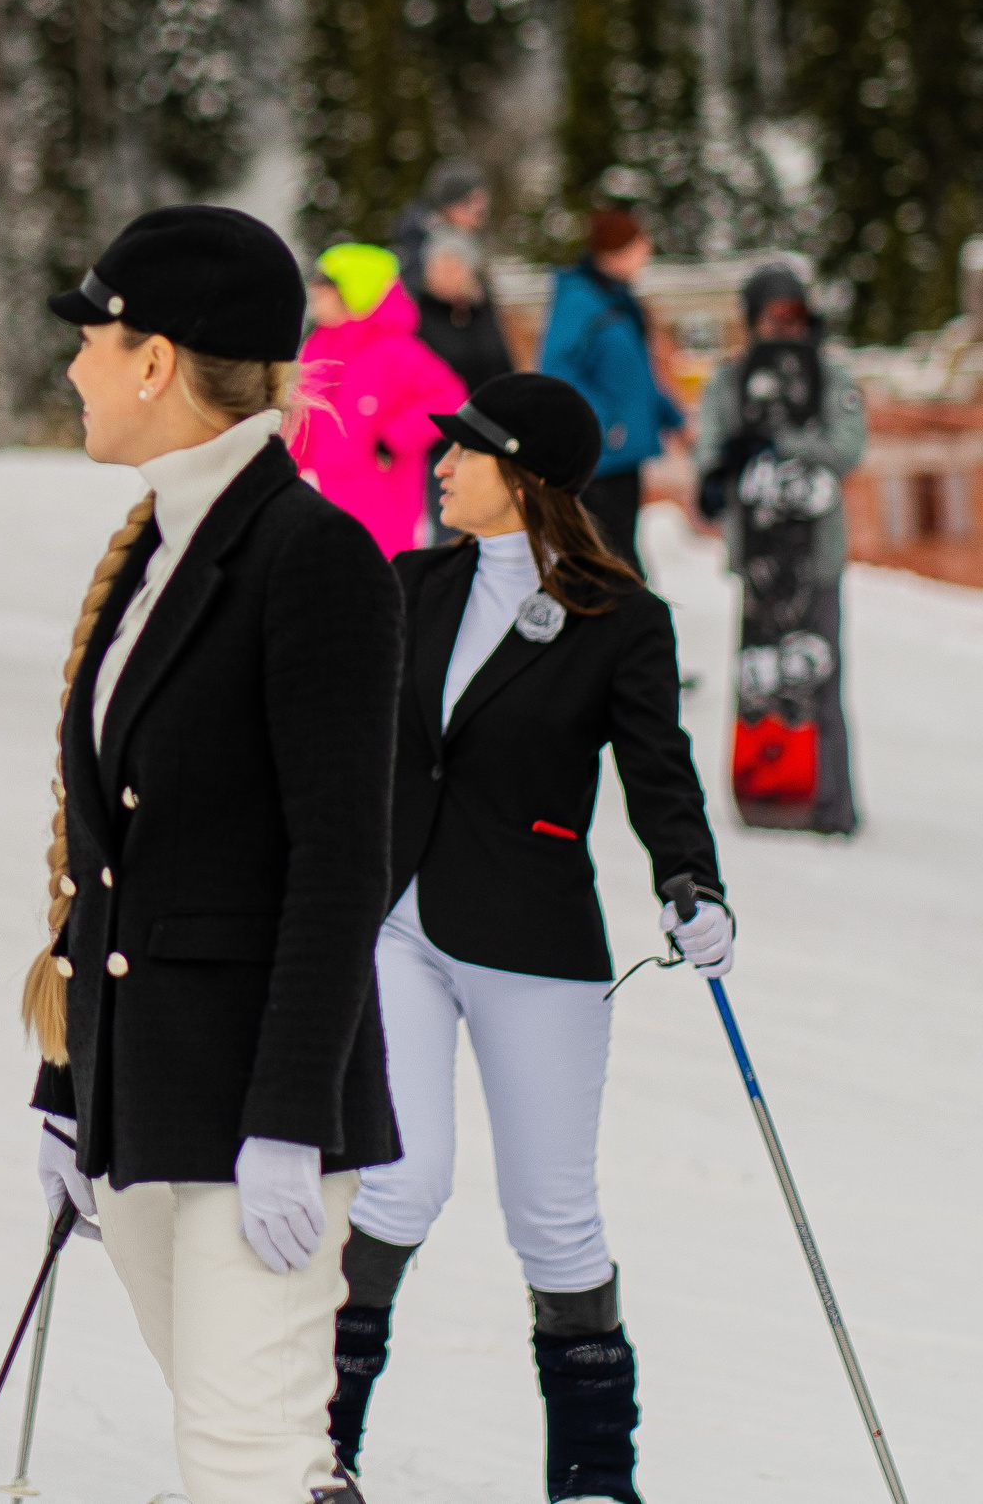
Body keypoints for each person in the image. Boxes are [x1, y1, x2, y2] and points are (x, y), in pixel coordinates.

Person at [26, 205, 401, 1504]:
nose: (72, 366)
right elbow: (110, 849)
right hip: (146, 1098)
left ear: (156, 360)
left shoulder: (317, 558)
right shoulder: (149, 546)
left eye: (93, 338)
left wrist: (292, 1120)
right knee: (248, 1443)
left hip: (258, 1117)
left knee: (245, 1460)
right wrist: (67, 1074)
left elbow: (341, 862)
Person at [326, 371, 735, 1504]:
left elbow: (658, 770)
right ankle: (315, 1455)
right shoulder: (410, 583)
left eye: (465, 451)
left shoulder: (622, 619)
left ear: (528, 477)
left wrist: (688, 880)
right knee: (396, 1184)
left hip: (534, 941)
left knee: (551, 1218)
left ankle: (594, 1478)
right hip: (400, 920)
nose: (441, 465)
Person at [694, 265, 865, 834]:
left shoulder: (832, 376)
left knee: (819, 672)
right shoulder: (731, 379)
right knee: (758, 675)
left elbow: (846, 449)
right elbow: (710, 452)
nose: (783, 326)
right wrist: (720, 474)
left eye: (793, 314)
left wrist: (781, 443)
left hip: (814, 553)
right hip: (759, 555)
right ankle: (763, 794)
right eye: (773, 314)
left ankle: (830, 799)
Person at [292, 243, 468, 558]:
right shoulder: (317, 346)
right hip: (325, 497)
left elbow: (449, 396)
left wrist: (395, 438)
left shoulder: (396, 350)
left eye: (323, 286)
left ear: (354, 292)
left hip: (385, 502)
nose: (313, 294)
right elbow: (304, 416)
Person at [538, 209, 681, 577]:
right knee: (608, 559)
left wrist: (672, 416)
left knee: (620, 553)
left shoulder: (617, 300)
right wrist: (604, 422)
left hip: (624, 453)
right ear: (618, 250)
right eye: (640, 244)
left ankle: (626, 627)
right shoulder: (579, 301)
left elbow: (634, 377)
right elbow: (557, 371)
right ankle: (621, 628)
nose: (646, 252)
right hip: (599, 456)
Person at [411, 229, 513, 396]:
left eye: (456, 267)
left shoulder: (484, 315)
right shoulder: (416, 317)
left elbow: (504, 370)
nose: (448, 275)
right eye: (441, 267)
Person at [392, 157, 492, 277]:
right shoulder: (444, 247)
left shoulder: (456, 237)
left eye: (482, 201)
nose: (480, 208)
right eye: (470, 201)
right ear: (449, 207)